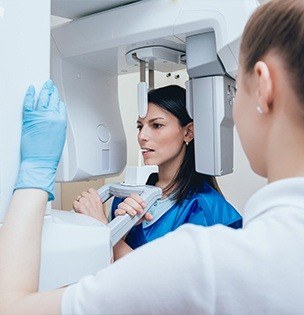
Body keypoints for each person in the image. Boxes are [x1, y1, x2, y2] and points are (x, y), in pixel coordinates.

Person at [0, 0, 304, 313]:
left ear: (263, 86)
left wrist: (36, 175)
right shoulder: (136, 200)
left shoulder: (207, 255)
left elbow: (13, 307)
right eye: (140, 126)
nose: (143, 136)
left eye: (236, 91)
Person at [73, 85, 242, 260]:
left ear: (188, 132)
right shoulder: (126, 198)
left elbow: (167, 283)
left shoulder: (207, 208)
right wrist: (119, 231)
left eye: (156, 125)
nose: (142, 136)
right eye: (140, 126)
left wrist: (102, 230)